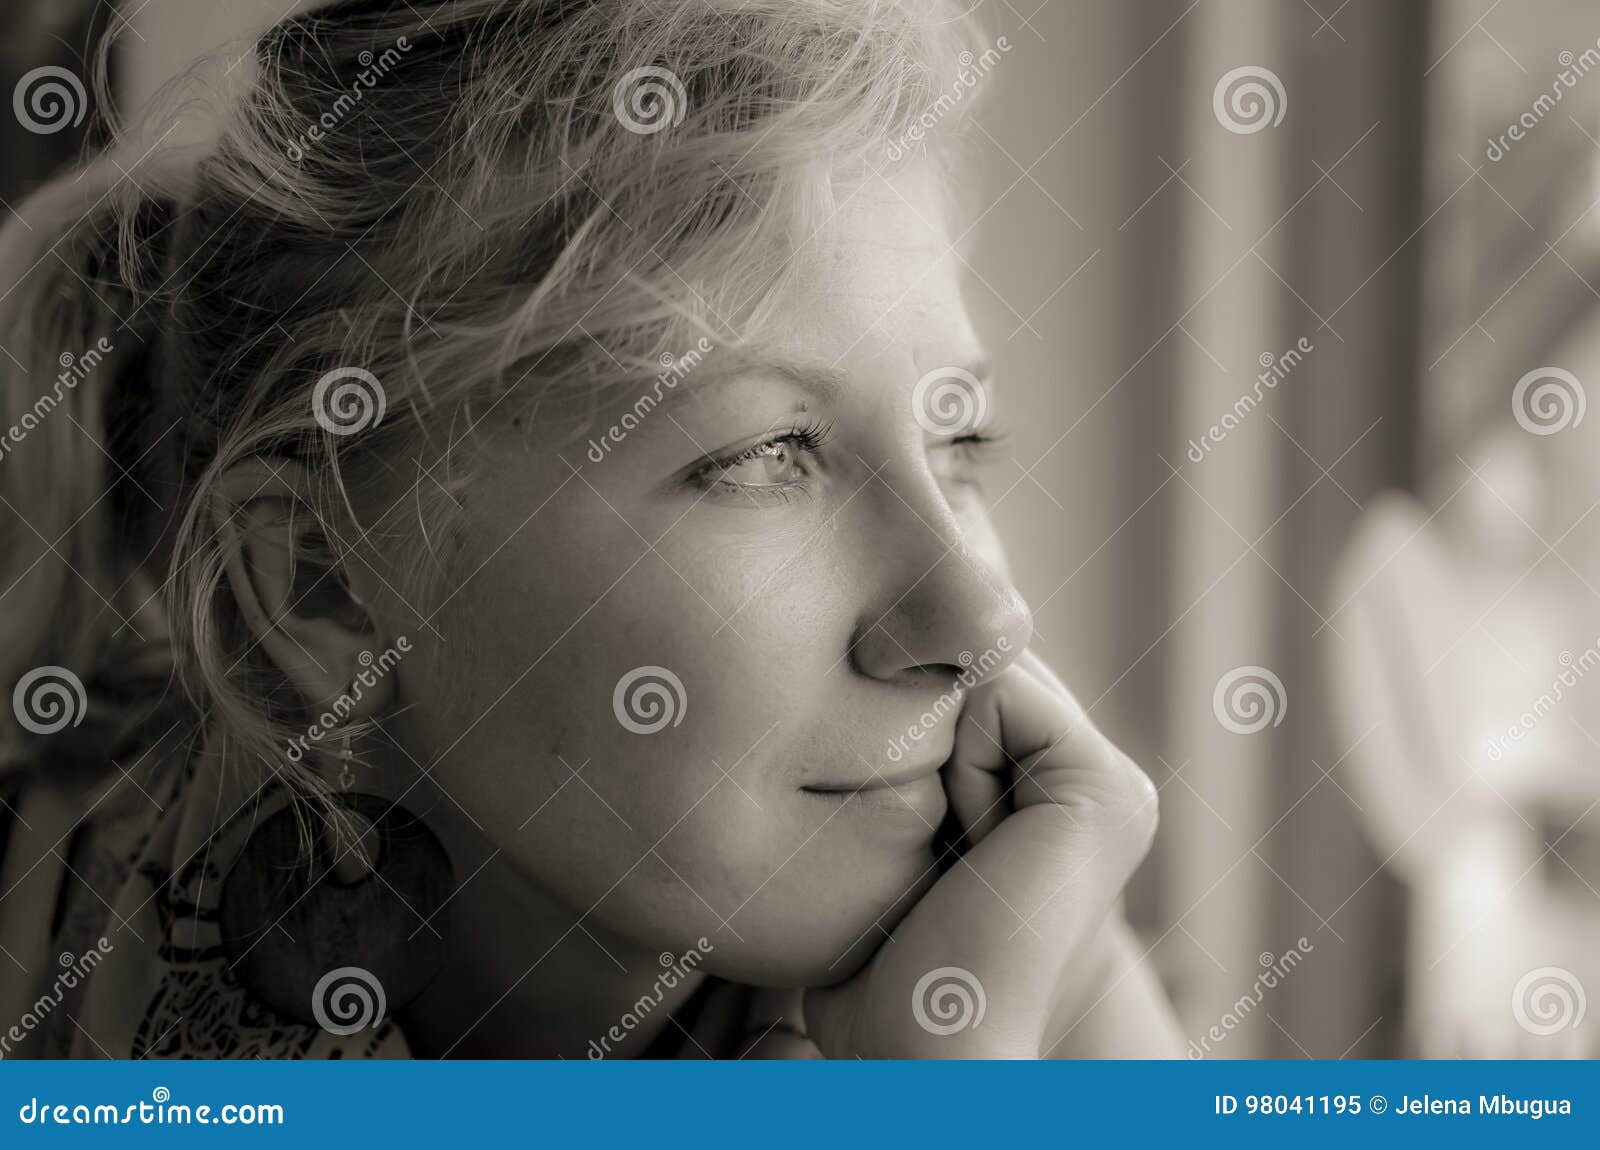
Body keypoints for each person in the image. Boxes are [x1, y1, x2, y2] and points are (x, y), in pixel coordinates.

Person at [0, 0, 1180, 1059]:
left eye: (957, 444)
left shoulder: (1021, 942)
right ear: (320, 581)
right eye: (765, 457)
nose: (983, 619)